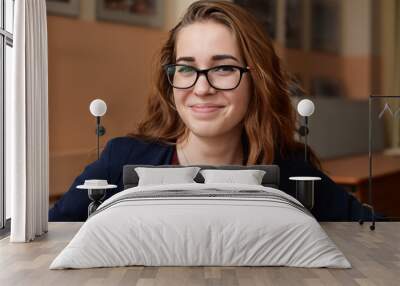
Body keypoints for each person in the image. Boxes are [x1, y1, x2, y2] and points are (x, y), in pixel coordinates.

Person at [49, 0, 370, 222]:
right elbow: (49, 235)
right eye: (186, 69)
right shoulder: (119, 161)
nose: (201, 88)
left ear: (256, 79)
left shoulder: (293, 171)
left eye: (224, 68)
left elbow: (376, 231)